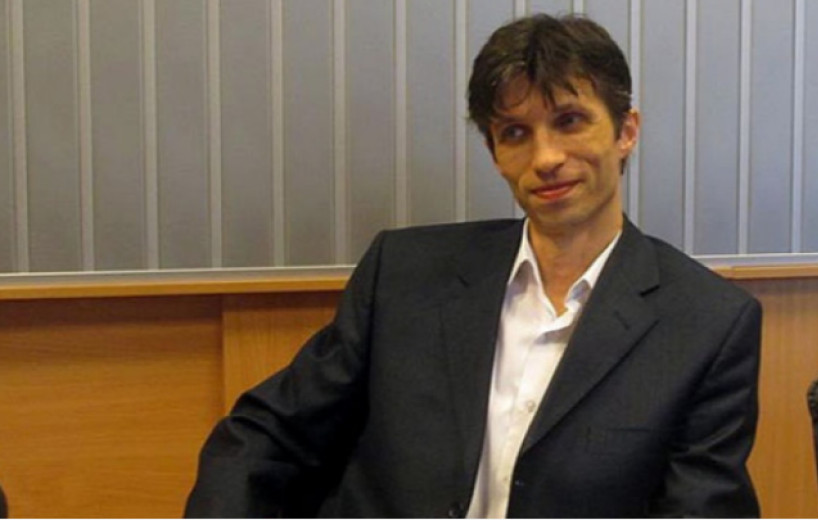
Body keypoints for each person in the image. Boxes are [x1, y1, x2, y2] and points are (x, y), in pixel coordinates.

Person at [186, 13, 761, 518]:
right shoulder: (403, 274)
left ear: (626, 132)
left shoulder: (707, 324)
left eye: (569, 121)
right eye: (515, 133)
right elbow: (267, 435)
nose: (546, 158)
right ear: (494, 153)